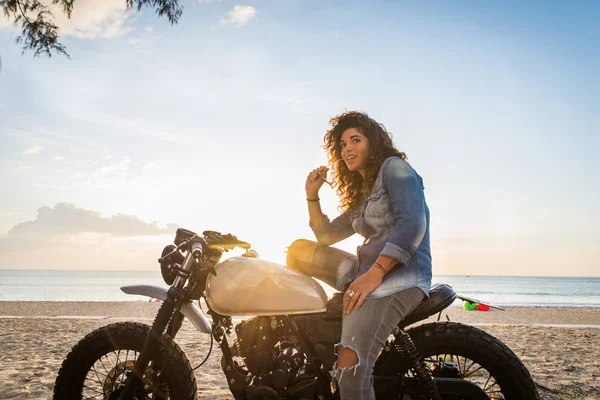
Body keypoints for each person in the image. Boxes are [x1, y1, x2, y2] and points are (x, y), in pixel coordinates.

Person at [286, 111, 432, 399]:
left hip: (398, 278)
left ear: (373, 144)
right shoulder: (362, 195)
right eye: (342, 144)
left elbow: (413, 224)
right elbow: (325, 236)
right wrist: (311, 195)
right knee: (298, 251)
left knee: (351, 373)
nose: (347, 148)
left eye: (355, 140)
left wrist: (374, 275)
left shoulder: (394, 168)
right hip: (366, 271)